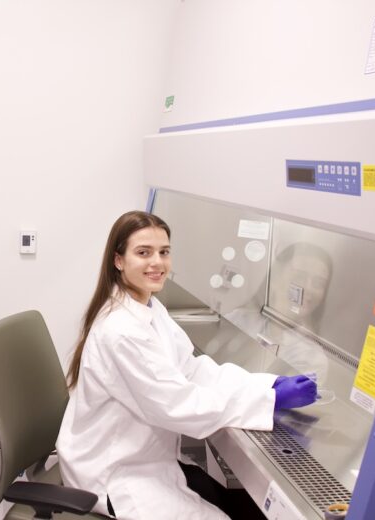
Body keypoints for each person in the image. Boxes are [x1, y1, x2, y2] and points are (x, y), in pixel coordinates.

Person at [56, 210, 316, 520]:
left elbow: (192, 370)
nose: (157, 262)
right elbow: (178, 406)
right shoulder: (122, 332)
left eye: (164, 252)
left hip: (144, 463)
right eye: (143, 252)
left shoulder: (149, 306)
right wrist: (268, 401)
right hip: (116, 477)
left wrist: (265, 384)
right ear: (119, 260)